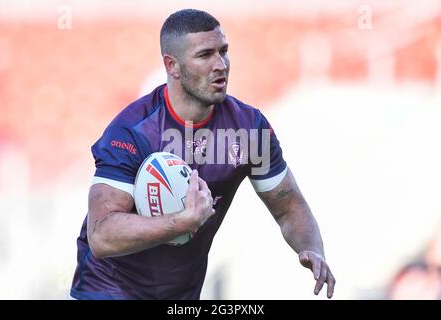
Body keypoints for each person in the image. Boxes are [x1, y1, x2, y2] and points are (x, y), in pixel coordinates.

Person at [70, 8, 335, 300]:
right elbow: (101, 235)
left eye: (224, 51)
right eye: (205, 55)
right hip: (106, 290)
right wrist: (182, 223)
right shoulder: (133, 131)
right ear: (172, 66)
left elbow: (288, 205)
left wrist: (311, 247)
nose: (220, 64)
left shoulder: (248, 129)